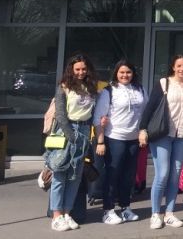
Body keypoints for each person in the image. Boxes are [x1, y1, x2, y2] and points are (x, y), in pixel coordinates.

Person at [139, 54, 183, 230]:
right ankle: (155, 214)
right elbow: (150, 108)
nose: (182, 69)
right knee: (162, 174)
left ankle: (170, 213)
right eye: (179, 66)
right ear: (173, 67)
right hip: (163, 134)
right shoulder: (164, 83)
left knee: (175, 175)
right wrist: (142, 129)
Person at [49, 53, 99, 232]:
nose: (80, 72)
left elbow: (92, 113)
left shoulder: (91, 87)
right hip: (67, 131)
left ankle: (67, 213)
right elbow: (60, 114)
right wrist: (71, 136)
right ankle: (56, 216)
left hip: (84, 131)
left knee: (75, 176)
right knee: (60, 174)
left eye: (84, 69)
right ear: (71, 69)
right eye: (77, 69)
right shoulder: (64, 86)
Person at [93, 60, 146, 225]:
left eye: (128, 72)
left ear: (133, 73)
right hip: (114, 138)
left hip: (134, 139)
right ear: (116, 73)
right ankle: (108, 211)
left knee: (128, 176)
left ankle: (125, 208)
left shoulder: (140, 89)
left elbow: (146, 113)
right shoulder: (108, 91)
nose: (125, 75)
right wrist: (100, 142)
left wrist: (143, 131)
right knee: (112, 175)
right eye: (122, 72)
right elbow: (98, 118)